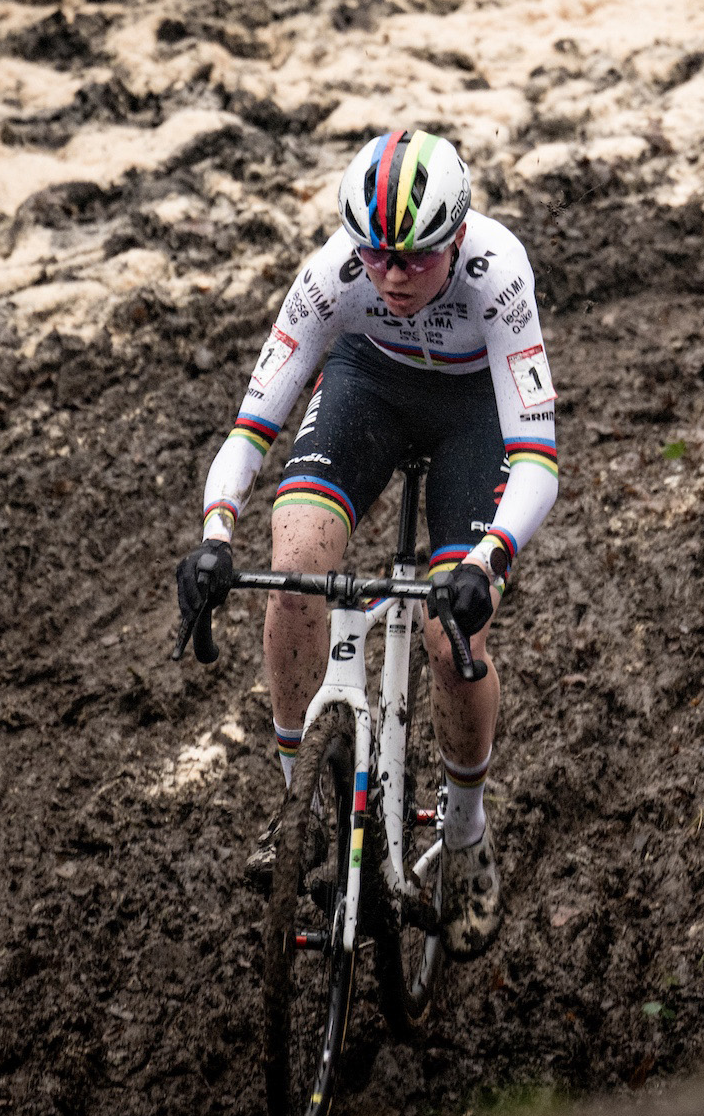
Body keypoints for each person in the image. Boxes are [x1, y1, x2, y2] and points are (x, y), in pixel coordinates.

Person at [175, 130, 558, 960]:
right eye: (374, 254)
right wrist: (214, 535)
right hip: (369, 386)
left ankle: (464, 833)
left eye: (414, 259)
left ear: (456, 236)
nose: (389, 274)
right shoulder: (332, 276)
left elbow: (536, 458)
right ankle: (297, 813)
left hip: (471, 415)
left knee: (452, 634)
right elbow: (250, 429)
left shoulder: (500, 273)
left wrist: (489, 562)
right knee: (296, 563)